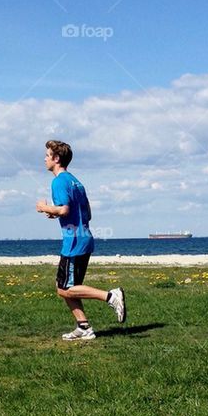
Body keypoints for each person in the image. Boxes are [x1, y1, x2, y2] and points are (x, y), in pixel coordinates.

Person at [36, 140, 126, 340]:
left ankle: (111, 296)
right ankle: (83, 327)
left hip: (74, 243)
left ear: (56, 158)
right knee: (64, 288)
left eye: (47, 155)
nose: (44, 158)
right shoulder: (76, 182)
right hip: (84, 239)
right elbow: (87, 213)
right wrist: (58, 213)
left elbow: (64, 209)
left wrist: (44, 207)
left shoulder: (58, 181)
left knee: (66, 288)